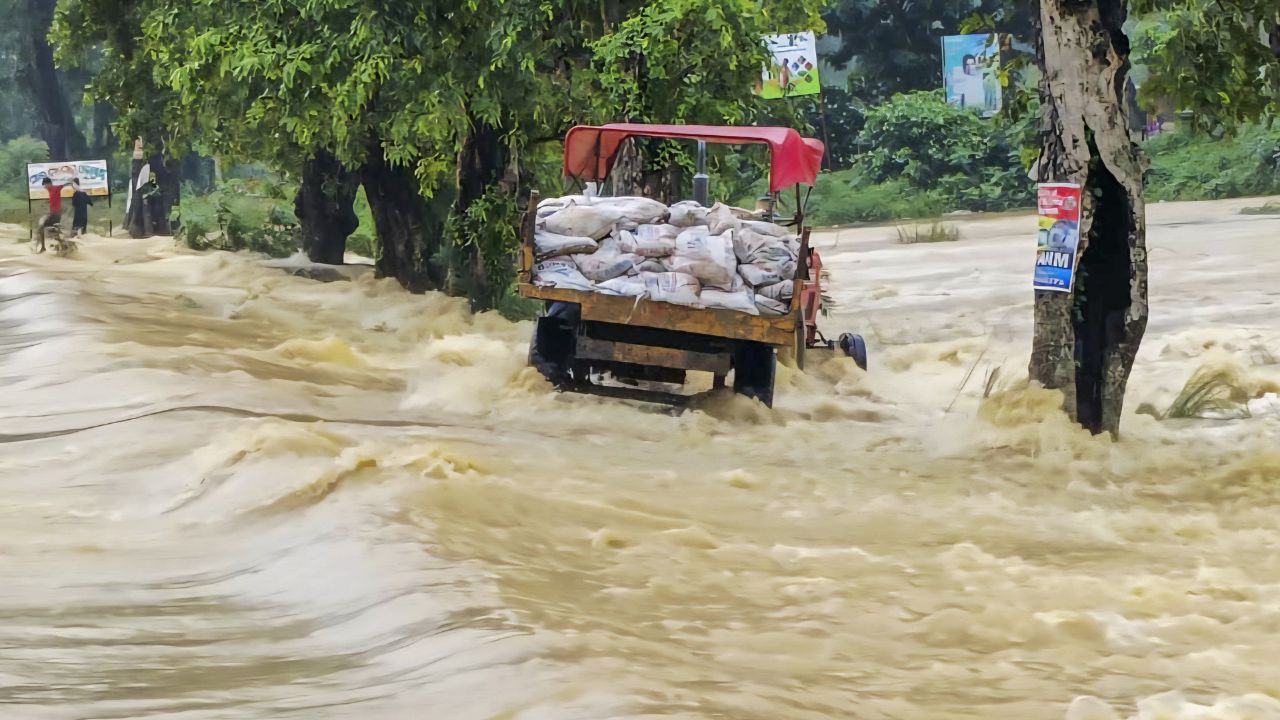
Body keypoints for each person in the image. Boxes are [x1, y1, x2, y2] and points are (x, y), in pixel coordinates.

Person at [36, 177, 64, 253]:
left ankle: (43, 248)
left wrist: (72, 182)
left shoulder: (56, 188)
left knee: (41, 228)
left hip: (55, 215)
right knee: (54, 232)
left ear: (49, 183)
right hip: (55, 214)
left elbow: (64, 185)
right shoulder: (49, 190)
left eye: (45, 185)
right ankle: (63, 246)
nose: (44, 186)